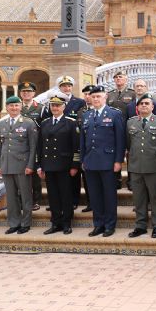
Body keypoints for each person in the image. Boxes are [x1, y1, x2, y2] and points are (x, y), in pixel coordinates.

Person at [81, 85, 126, 237]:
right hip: (91, 161)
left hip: (108, 161)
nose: (95, 99)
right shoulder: (87, 115)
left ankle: (109, 225)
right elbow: (83, 140)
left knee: (109, 195)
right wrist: (83, 159)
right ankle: (98, 224)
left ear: (105, 97)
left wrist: (118, 160)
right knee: (94, 196)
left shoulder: (114, 114)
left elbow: (120, 139)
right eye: (93, 97)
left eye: (98, 96)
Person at [127, 94, 156, 239]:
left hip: (154, 167)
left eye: (147, 103)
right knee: (138, 198)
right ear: (137, 107)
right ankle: (140, 225)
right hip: (136, 166)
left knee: (155, 197)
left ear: (152, 107)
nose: (144, 106)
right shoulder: (131, 122)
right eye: (141, 104)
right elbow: (129, 144)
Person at [37, 92, 80, 235]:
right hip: (49, 165)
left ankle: (67, 223)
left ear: (64, 107)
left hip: (65, 165)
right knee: (53, 195)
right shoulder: (45, 123)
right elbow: (40, 146)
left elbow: (76, 147)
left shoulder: (71, 123)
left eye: (58, 105)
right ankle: (56, 223)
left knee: (66, 195)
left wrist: (74, 166)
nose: (55, 108)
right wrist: (40, 165)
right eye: (53, 105)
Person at [0, 96, 38, 235]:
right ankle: (14, 223)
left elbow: (33, 147)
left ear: (20, 107)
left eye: (16, 106)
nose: (14, 108)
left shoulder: (28, 123)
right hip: (6, 165)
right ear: (7, 107)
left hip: (22, 165)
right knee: (12, 197)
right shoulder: (2, 124)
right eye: (11, 106)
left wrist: (30, 165)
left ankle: (25, 223)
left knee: (25, 196)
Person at [54, 75, 86, 205]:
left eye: (68, 86)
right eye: (63, 86)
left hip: (73, 140)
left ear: (72, 87)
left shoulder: (79, 102)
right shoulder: (54, 102)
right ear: (59, 88)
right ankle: (59, 200)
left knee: (74, 173)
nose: (66, 88)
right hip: (58, 141)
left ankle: (74, 199)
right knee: (59, 174)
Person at [18, 81, 45, 211]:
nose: (26, 93)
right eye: (24, 91)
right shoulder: (16, 107)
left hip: (35, 144)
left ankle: (36, 200)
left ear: (34, 93)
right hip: (20, 145)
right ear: (20, 93)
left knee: (34, 174)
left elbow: (44, 127)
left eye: (29, 91)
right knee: (21, 174)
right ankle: (22, 200)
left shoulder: (40, 108)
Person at [76, 84, 94, 213]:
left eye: (90, 94)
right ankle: (90, 202)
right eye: (86, 94)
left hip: (99, 151)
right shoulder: (81, 111)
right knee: (87, 180)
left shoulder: (107, 110)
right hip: (85, 151)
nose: (88, 97)